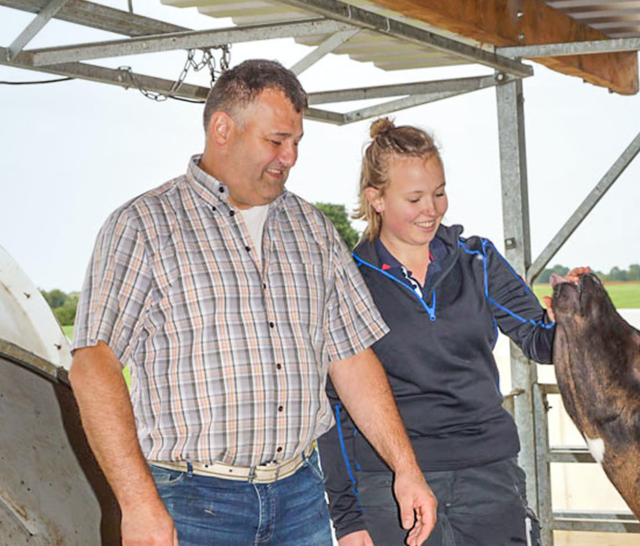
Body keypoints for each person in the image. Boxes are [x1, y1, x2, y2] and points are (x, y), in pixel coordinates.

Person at [69, 61, 436, 546]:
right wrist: (137, 503)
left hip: (302, 495)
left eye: (297, 142)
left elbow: (351, 357)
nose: (290, 156)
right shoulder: (144, 226)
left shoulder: (311, 229)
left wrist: (405, 468)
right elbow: (93, 365)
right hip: (190, 502)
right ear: (223, 128)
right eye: (276, 140)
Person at [318, 118, 586, 546]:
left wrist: (575, 317)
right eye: (415, 198)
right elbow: (334, 407)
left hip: (490, 477)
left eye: (439, 193)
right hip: (392, 488)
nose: (433, 209)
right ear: (376, 199)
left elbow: (541, 342)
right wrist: (349, 519)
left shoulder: (477, 261)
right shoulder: (349, 280)